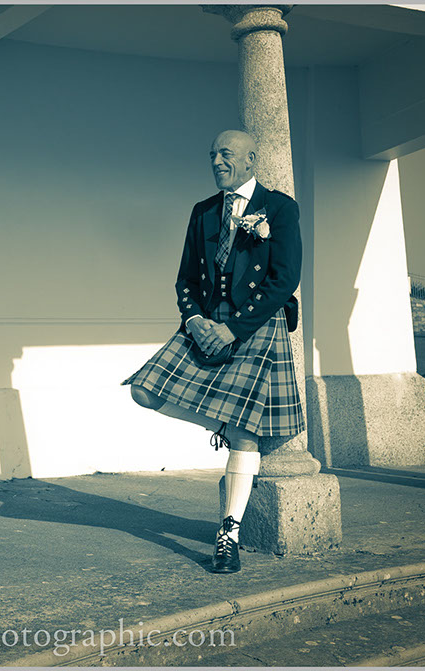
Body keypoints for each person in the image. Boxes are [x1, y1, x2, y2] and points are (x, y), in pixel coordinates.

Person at [123, 130, 304, 574]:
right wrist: (195, 320)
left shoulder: (279, 208)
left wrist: (233, 329)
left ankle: (229, 535)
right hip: (208, 321)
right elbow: (185, 278)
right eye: (212, 156)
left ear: (250, 160)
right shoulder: (203, 211)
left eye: (226, 154)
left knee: (245, 436)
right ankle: (226, 419)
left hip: (256, 324)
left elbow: (284, 280)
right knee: (144, 390)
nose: (217, 162)